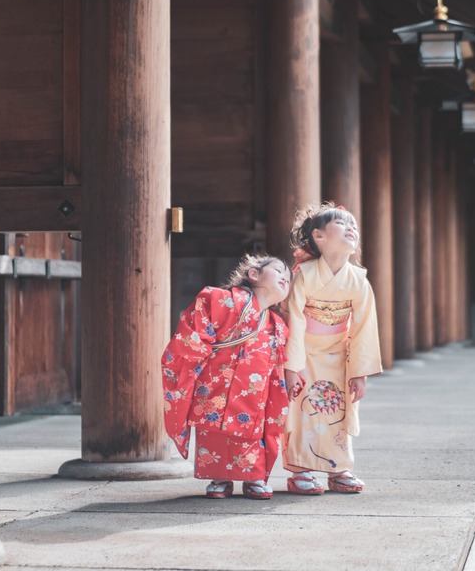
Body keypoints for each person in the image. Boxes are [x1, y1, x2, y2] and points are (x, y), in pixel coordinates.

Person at [161, 254, 292, 499]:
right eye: (278, 271)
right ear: (254, 274)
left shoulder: (276, 323)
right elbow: (193, 332)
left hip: (256, 390)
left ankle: (254, 476)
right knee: (213, 428)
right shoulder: (219, 300)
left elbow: (278, 363)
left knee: (254, 428)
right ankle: (219, 476)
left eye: (288, 277)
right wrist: (202, 356)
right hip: (216, 381)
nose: (285, 278)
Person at [283, 202, 382, 495]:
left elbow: (364, 327)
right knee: (302, 411)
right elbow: (294, 320)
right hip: (305, 354)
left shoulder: (359, 280)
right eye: (341, 224)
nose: (351, 228)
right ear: (319, 237)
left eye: (353, 225)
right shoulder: (304, 274)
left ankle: (339, 469)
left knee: (340, 410)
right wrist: (292, 366)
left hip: (339, 355)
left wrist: (359, 371)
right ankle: (300, 470)